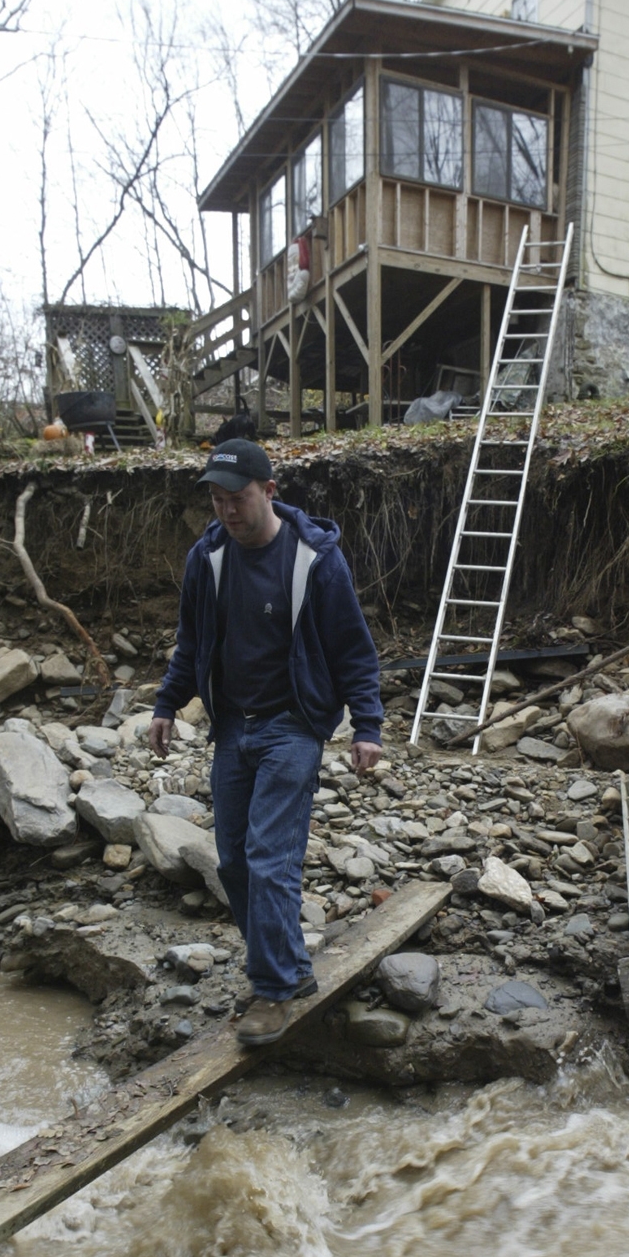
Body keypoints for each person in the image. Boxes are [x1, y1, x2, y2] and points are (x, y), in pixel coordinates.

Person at [149, 438, 383, 1046]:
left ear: (270, 492)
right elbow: (193, 642)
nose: (228, 510)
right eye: (218, 500)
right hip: (232, 726)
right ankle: (288, 972)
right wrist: (167, 705)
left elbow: (352, 649)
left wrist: (368, 726)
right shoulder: (209, 558)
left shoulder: (314, 561)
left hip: (292, 724)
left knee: (269, 857)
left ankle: (273, 990)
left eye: (239, 498)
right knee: (232, 861)